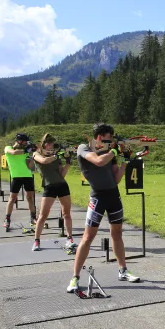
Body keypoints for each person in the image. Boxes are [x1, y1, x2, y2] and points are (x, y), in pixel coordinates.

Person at [66, 123, 140, 294]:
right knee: (88, 237)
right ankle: (75, 277)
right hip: (97, 197)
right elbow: (98, 162)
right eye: (109, 138)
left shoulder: (109, 153)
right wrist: (113, 151)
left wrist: (125, 161)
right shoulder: (84, 148)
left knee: (117, 234)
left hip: (113, 195)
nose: (112, 141)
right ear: (99, 137)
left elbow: (116, 179)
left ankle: (123, 270)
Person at [31, 134, 77, 253]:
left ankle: (69, 239)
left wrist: (68, 162)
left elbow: (62, 174)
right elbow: (44, 161)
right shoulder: (37, 154)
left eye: (53, 145)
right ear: (44, 144)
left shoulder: (55, 157)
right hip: (49, 186)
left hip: (61, 185)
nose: (52, 147)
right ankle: (36, 240)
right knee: (43, 215)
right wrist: (56, 155)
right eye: (50, 144)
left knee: (66, 214)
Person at [3, 133, 37, 229]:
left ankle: (33, 218)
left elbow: (29, 166)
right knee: (12, 198)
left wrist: (33, 155)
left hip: (27, 176)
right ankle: (7, 219)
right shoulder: (8, 147)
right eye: (24, 142)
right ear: (19, 141)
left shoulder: (25, 152)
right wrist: (26, 150)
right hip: (16, 177)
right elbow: (13, 153)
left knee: (30, 198)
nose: (25, 144)